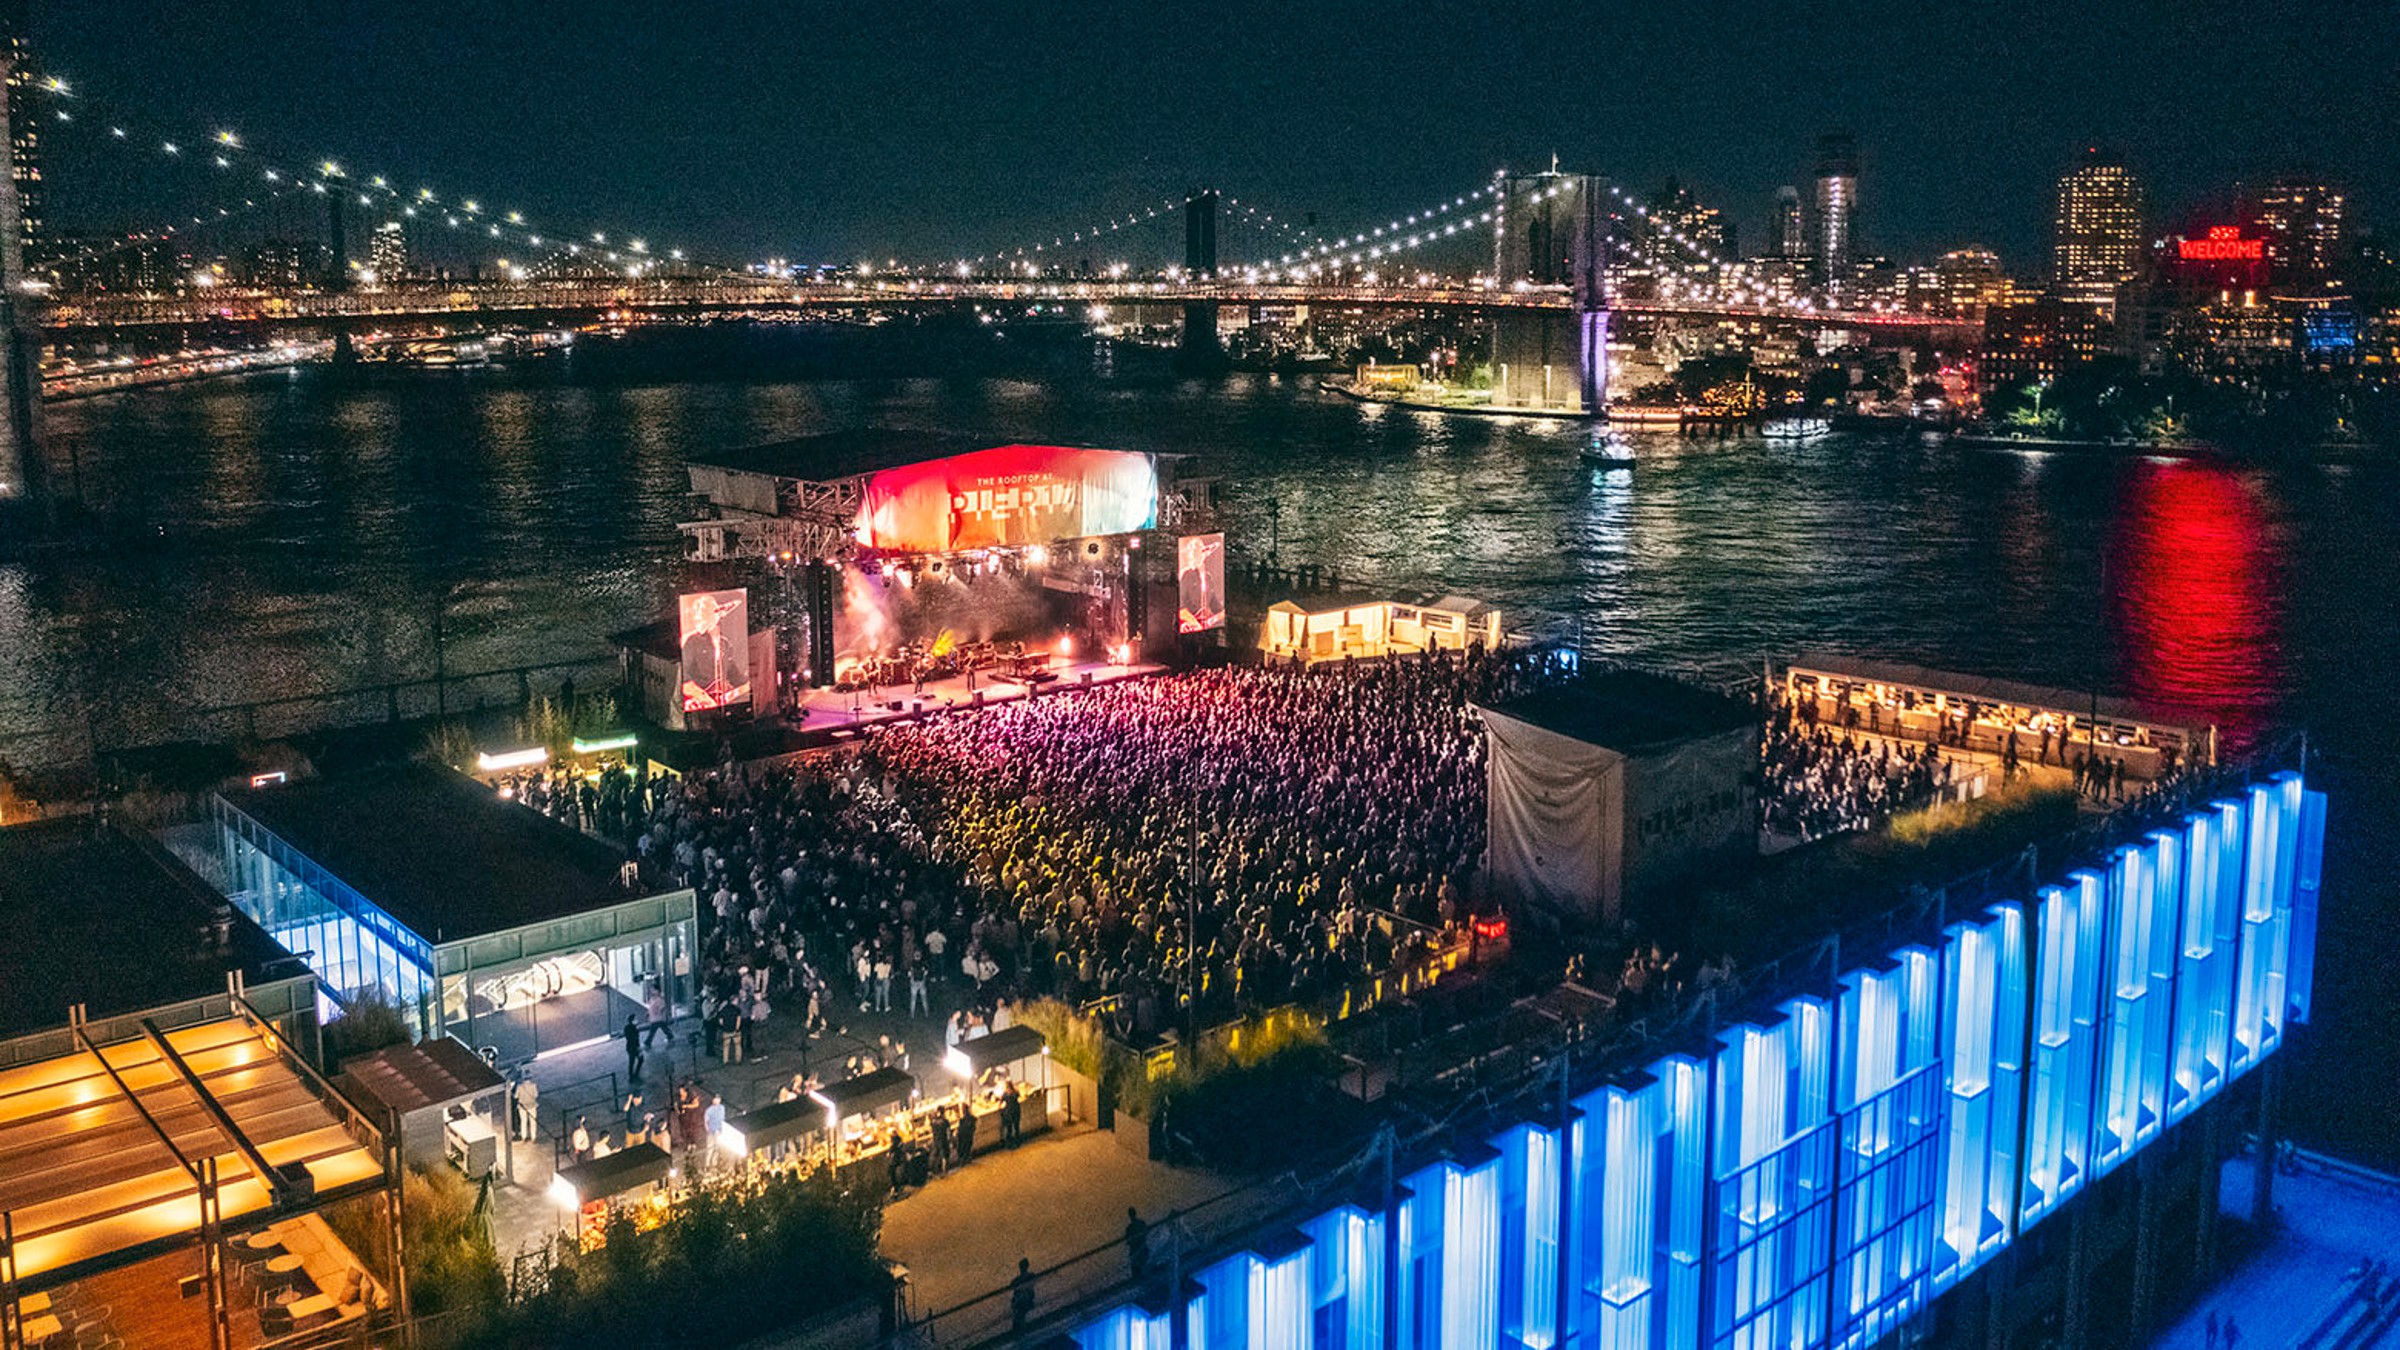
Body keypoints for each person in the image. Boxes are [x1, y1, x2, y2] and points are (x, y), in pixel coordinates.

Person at [1010, 1258, 1036, 1332]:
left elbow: (1012, 1285)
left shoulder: (1017, 1280)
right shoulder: (1030, 1276)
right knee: (1019, 1314)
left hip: (1023, 1300)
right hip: (1023, 1300)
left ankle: (1019, 1329)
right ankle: (1020, 1328)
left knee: (1019, 1314)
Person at [1124, 1208, 1150, 1281]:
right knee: (1144, 1266)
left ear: (1129, 1216)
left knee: (1135, 1270)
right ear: (1136, 1213)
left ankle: (1137, 1281)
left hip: (1136, 1250)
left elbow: (1128, 1241)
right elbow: (1146, 1232)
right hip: (1143, 1248)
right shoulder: (1142, 1223)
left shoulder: (1129, 1228)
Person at [511, 1076, 539, 1142]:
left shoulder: (519, 1087)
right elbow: (536, 1095)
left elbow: (516, 1096)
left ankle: (524, 1137)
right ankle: (533, 1137)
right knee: (533, 1122)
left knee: (523, 1121)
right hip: (532, 1106)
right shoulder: (533, 1086)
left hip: (522, 1107)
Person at [623, 1015, 644, 1084]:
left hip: (633, 1047)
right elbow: (632, 1038)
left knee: (635, 1061)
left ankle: (633, 1075)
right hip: (632, 1047)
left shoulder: (632, 1027)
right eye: (635, 1019)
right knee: (633, 1061)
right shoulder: (630, 1028)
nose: (636, 1020)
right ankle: (632, 1076)